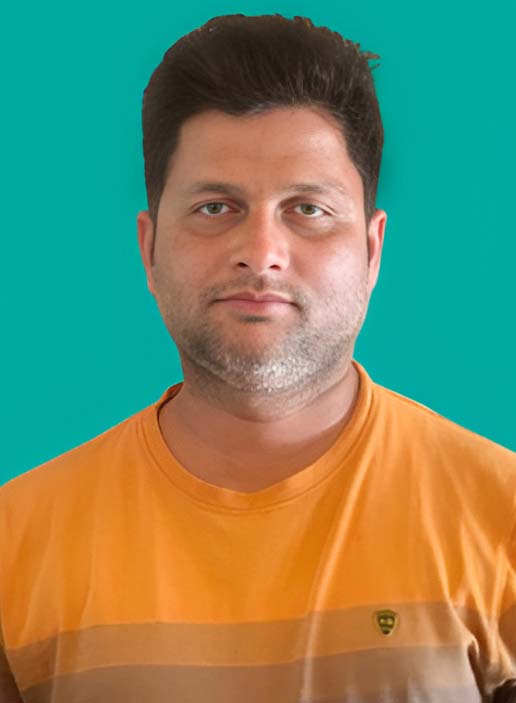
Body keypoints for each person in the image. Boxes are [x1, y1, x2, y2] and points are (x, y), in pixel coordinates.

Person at [0, 12, 515, 703]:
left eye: (307, 209)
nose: (262, 251)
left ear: (372, 250)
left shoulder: (502, 517)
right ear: (149, 248)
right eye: (217, 208)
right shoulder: (14, 544)